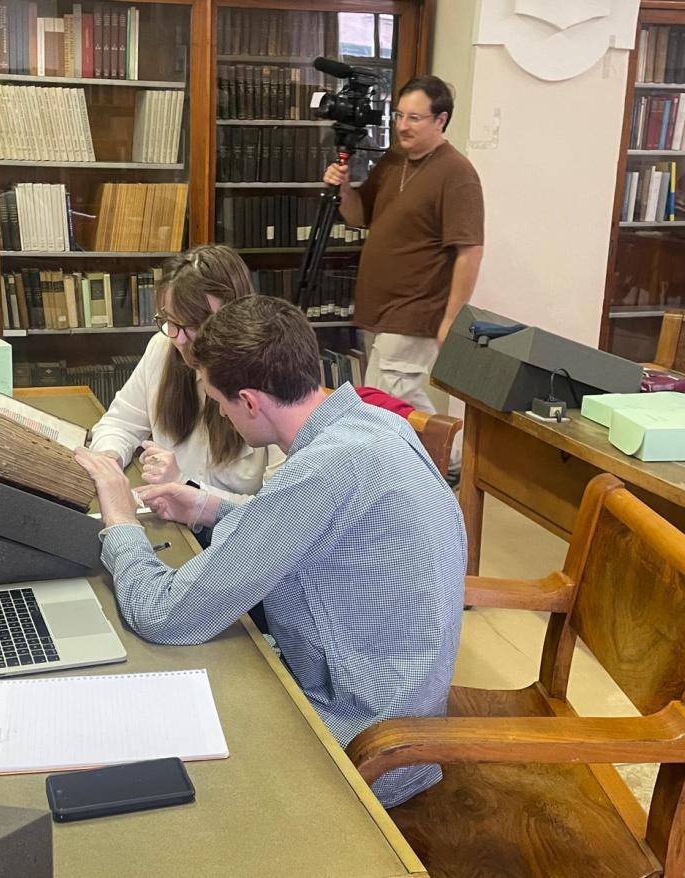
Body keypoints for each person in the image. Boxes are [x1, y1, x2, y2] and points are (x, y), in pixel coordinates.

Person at [73, 296, 467, 807]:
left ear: (251, 402)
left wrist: (121, 520)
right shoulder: (370, 426)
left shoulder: (322, 471)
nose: (220, 411)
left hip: (364, 740)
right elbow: (309, 530)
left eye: (220, 401)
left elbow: (164, 615)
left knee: (141, 732)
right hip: (399, 701)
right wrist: (207, 507)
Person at [323, 75, 484, 414]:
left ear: (441, 120)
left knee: (390, 400)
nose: (403, 126)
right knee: (381, 399)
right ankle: (444, 458)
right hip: (379, 306)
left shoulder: (457, 172)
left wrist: (451, 318)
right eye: (398, 116)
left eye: (414, 118)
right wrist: (345, 189)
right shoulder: (394, 160)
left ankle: (453, 459)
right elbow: (358, 217)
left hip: (417, 308)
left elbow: (470, 251)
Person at [89, 244, 279, 502]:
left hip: (227, 532)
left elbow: (275, 512)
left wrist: (184, 487)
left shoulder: (273, 375)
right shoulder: (163, 346)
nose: (178, 339)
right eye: (170, 320)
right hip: (169, 517)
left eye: (192, 325)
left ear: (234, 316)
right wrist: (109, 458)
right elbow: (121, 423)